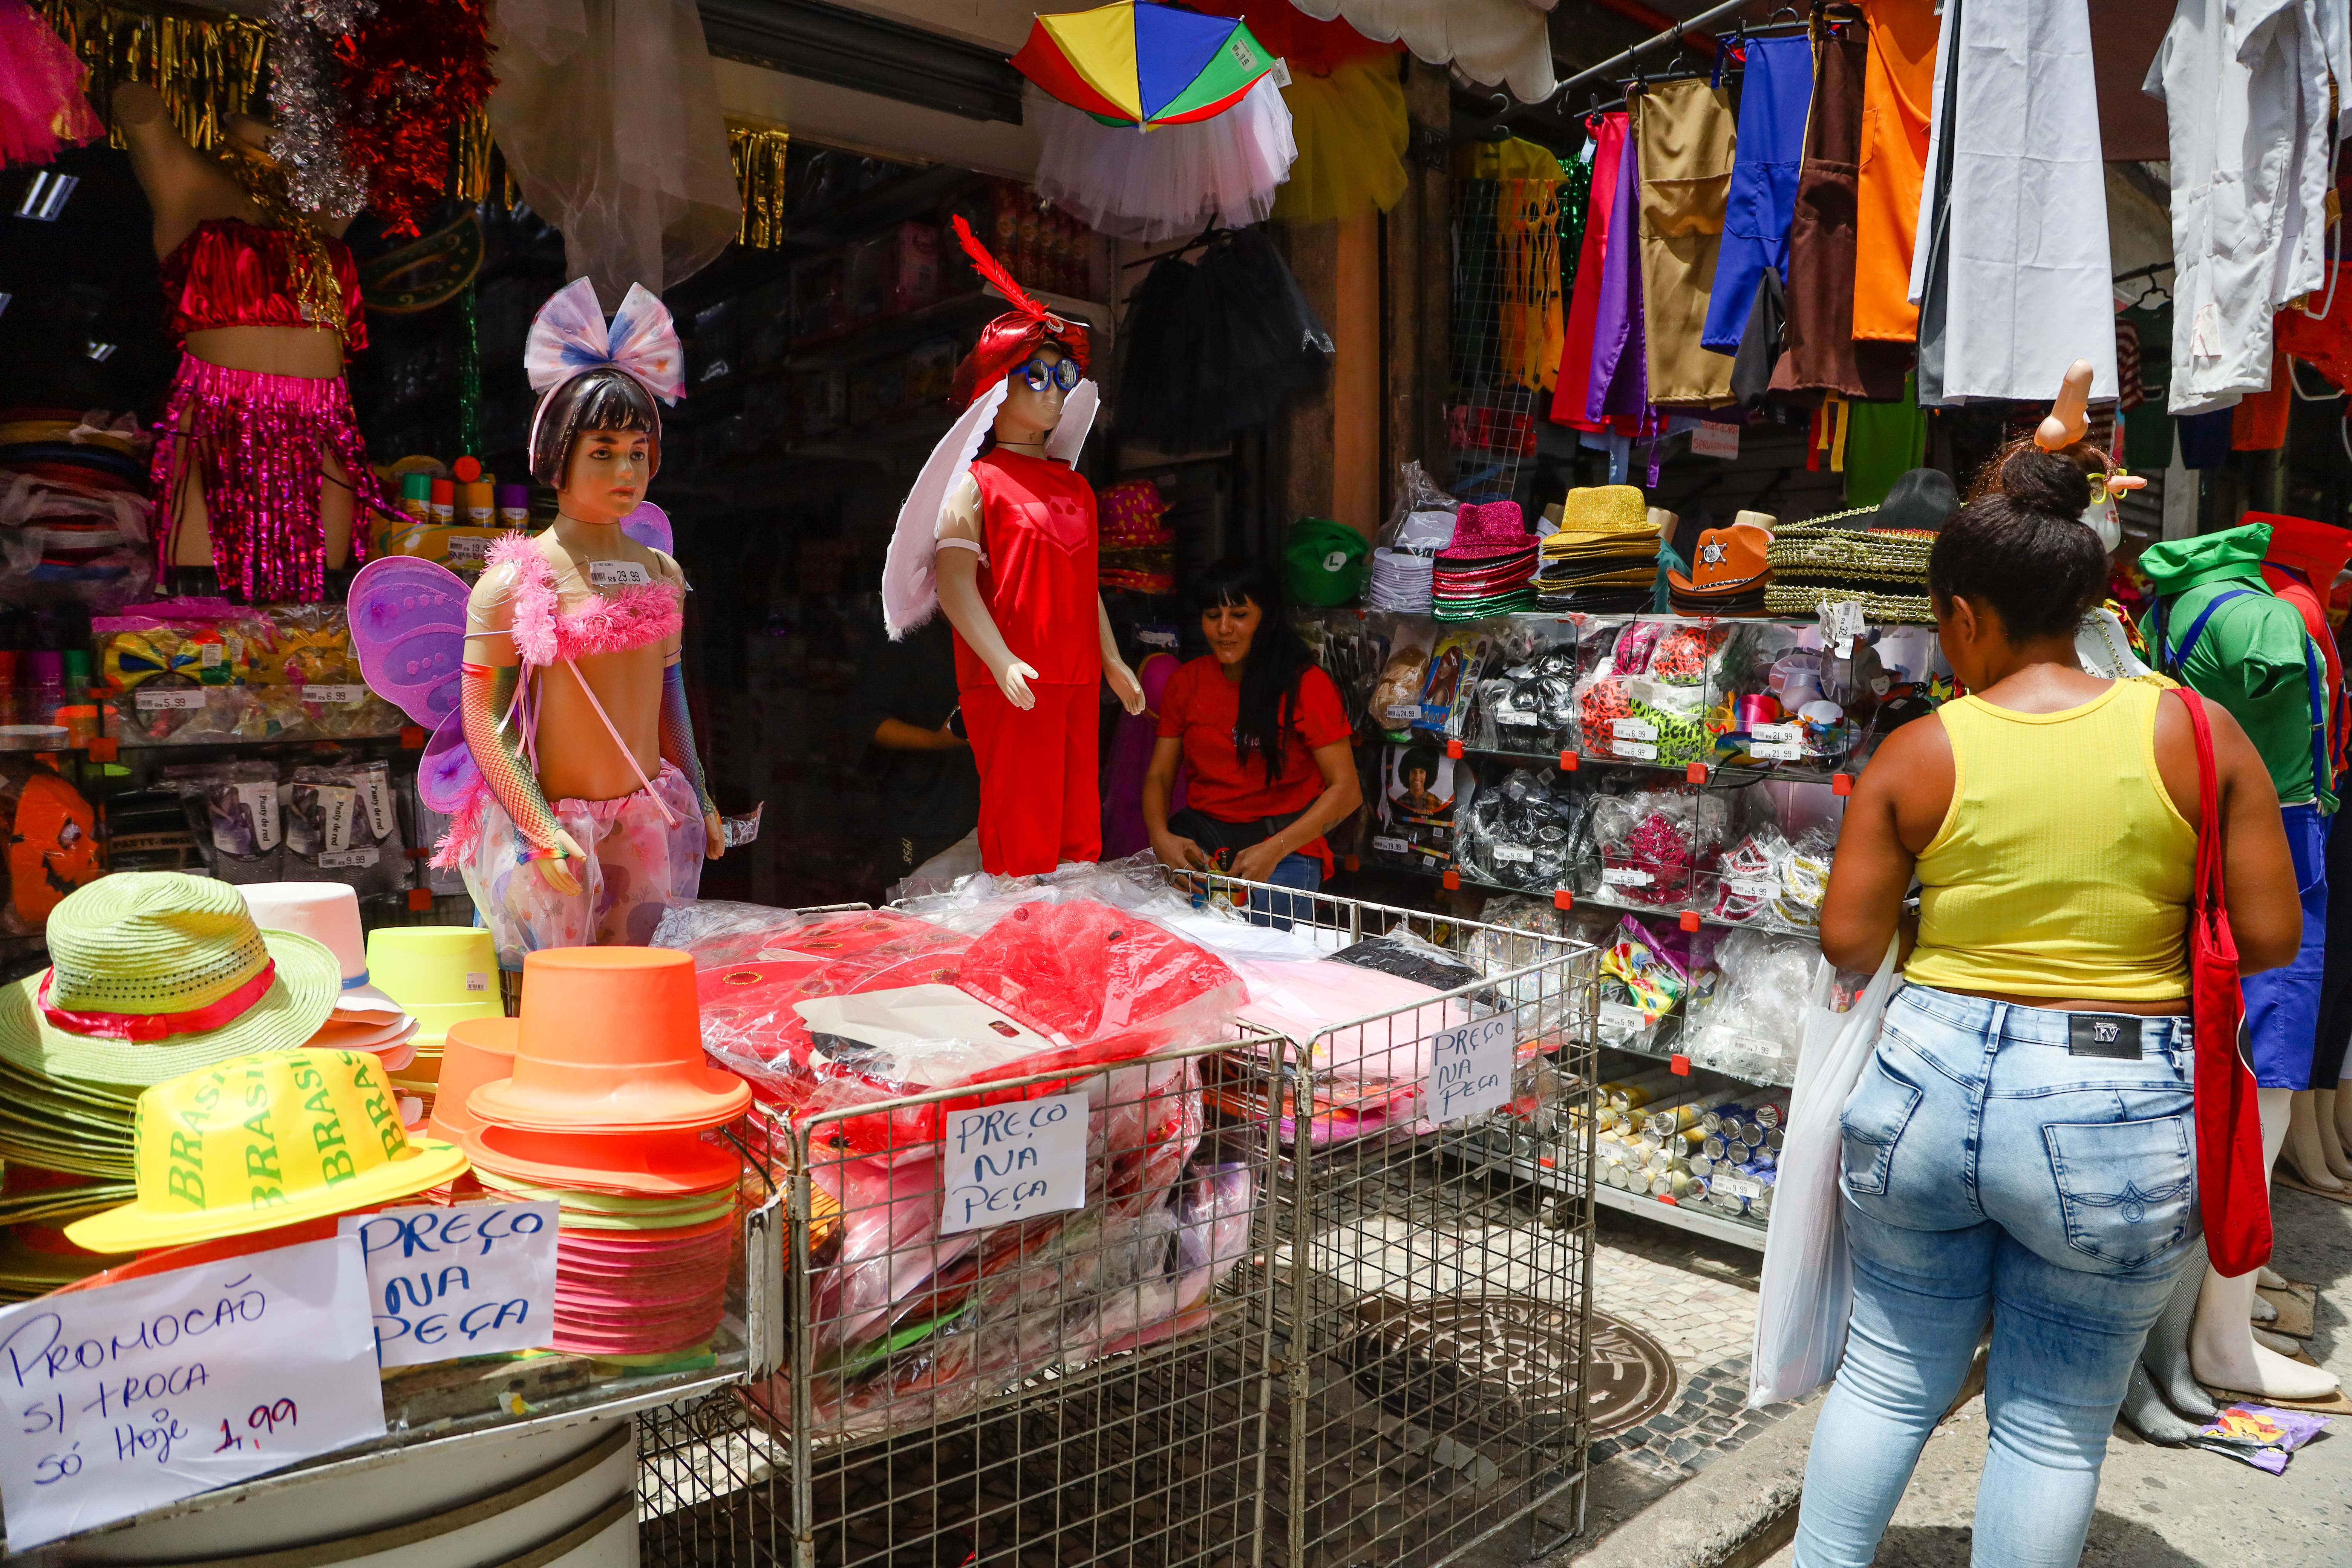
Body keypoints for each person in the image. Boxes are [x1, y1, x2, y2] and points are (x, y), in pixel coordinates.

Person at [1799, 448, 2301, 1568]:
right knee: (2051, 1426)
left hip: (1923, 1088)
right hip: (2117, 1101)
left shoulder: (1920, 750)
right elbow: (2271, 937)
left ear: (1965, 616)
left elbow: (1847, 943)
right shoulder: (2193, 732)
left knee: (1887, 1377)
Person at [1144, 559, 1360, 925]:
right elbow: (1159, 777)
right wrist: (1160, 837)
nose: (1224, 628)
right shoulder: (1186, 682)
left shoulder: (1307, 684)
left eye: (1240, 615)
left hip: (1286, 851)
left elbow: (1348, 791)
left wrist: (1274, 850)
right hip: (1203, 848)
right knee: (1185, 953)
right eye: (1213, 616)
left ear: (1267, 618)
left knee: (1257, 958)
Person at [847, 616, 980, 887]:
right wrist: (938, 740)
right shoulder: (902, 633)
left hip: (998, 811)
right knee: (925, 909)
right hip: (927, 815)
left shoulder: (1002, 628)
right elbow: (868, 722)